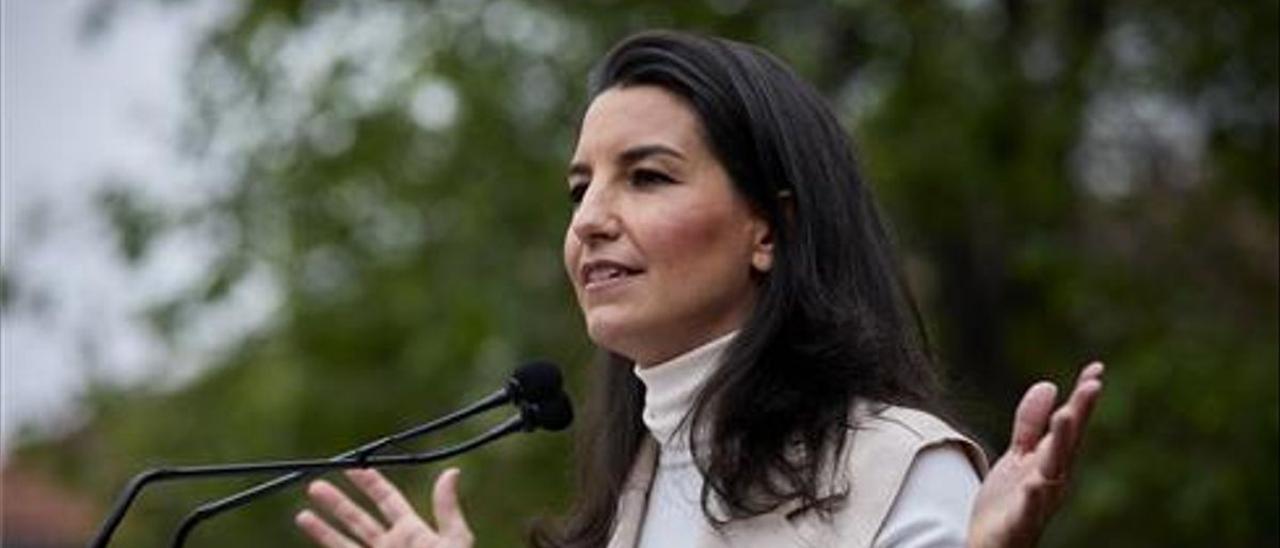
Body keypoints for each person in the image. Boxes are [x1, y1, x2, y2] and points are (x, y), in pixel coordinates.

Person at [292, 31, 1104, 548]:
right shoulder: (631, 495)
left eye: (646, 177)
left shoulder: (897, 468)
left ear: (769, 228)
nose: (591, 221)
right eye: (580, 190)